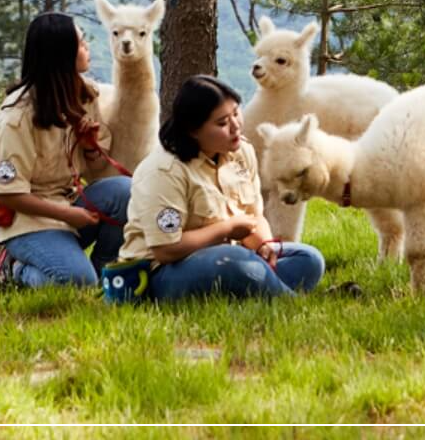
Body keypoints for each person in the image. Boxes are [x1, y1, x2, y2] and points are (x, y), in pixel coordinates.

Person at [105, 76, 328, 302]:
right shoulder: (164, 171)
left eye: (236, 113)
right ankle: (289, 300)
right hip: (160, 275)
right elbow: (166, 250)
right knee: (232, 261)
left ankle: (253, 286)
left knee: (309, 259)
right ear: (193, 130)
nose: (236, 126)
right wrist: (226, 229)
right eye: (222, 123)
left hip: (227, 258)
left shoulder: (241, 151)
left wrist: (265, 245)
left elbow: (254, 216)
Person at [0, 12, 133, 289]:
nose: (87, 48)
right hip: (27, 222)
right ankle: (13, 268)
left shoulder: (84, 96)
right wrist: (67, 215)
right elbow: (7, 193)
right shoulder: (17, 116)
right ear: (62, 55)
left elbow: (95, 170)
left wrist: (89, 147)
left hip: (70, 203)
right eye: (81, 43)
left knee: (126, 191)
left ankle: (104, 275)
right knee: (75, 280)